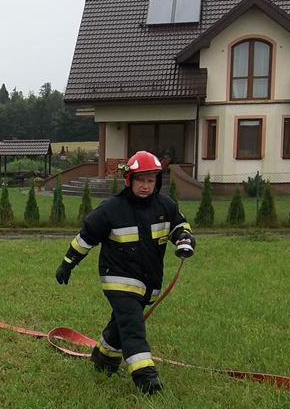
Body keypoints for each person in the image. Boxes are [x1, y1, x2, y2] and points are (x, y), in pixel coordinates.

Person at [55, 150, 196, 394]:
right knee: (132, 326)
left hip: (148, 280)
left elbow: (179, 226)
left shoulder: (166, 206)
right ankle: (146, 378)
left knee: (122, 322)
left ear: (157, 181)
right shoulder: (111, 209)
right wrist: (67, 263)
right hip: (117, 277)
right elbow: (85, 238)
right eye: (140, 180)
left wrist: (184, 238)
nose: (145, 185)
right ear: (129, 180)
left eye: (150, 180)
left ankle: (104, 359)